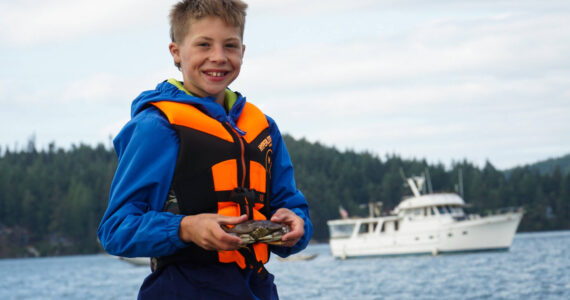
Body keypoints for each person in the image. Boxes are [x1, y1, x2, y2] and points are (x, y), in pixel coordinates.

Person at [96, 0, 312, 299]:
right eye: (203, 45)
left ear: (243, 52)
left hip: (258, 289)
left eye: (230, 46)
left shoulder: (264, 128)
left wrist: (297, 224)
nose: (218, 57)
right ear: (176, 53)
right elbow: (116, 230)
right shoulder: (156, 127)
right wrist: (185, 228)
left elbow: (291, 207)